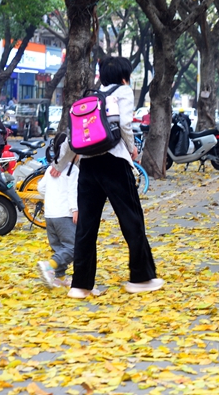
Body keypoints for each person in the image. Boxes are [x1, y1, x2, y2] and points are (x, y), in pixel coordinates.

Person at [55, 57, 162, 298]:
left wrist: (60, 165)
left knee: (86, 226)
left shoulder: (91, 96)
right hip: (114, 162)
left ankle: (80, 286)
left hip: (89, 163)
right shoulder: (122, 91)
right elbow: (124, 124)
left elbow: (76, 133)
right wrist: (132, 147)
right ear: (124, 76)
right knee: (132, 219)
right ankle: (141, 277)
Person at [36, 134, 78, 289]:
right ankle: (50, 266)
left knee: (59, 247)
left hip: (50, 215)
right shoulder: (73, 170)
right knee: (73, 247)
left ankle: (60, 278)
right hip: (64, 215)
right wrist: (75, 209)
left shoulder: (50, 169)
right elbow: (73, 191)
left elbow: (41, 188)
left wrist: (51, 197)